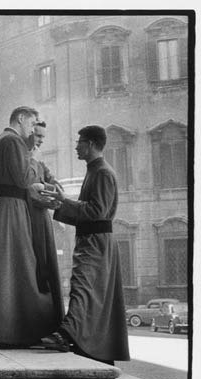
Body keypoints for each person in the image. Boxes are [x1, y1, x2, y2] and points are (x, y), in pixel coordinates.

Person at [0, 106, 56, 349]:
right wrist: (38, 183)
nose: (32, 128)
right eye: (32, 122)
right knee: (19, 270)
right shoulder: (14, 142)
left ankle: (7, 332)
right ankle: (17, 333)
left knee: (4, 272)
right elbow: (23, 179)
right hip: (13, 212)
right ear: (21, 119)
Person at [39, 125, 130, 365]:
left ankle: (65, 334)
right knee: (90, 293)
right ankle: (82, 343)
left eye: (79, 142)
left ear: (90, 144)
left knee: (83, 287)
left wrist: (63, 203)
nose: (76, 146)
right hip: (93, 241)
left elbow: (97, 211)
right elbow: (90, 210)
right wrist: (60, 205)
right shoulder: (96, 170)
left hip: (95, 242)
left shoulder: (101, 172)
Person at [26, 121, 65, 323]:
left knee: (43, 267)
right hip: (24, 216)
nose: (40, 140)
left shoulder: (38, 157)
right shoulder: (20, 154)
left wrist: (49, 186)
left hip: (40, 218)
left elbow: (52, 181)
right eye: (37, 135)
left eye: (43, 137)